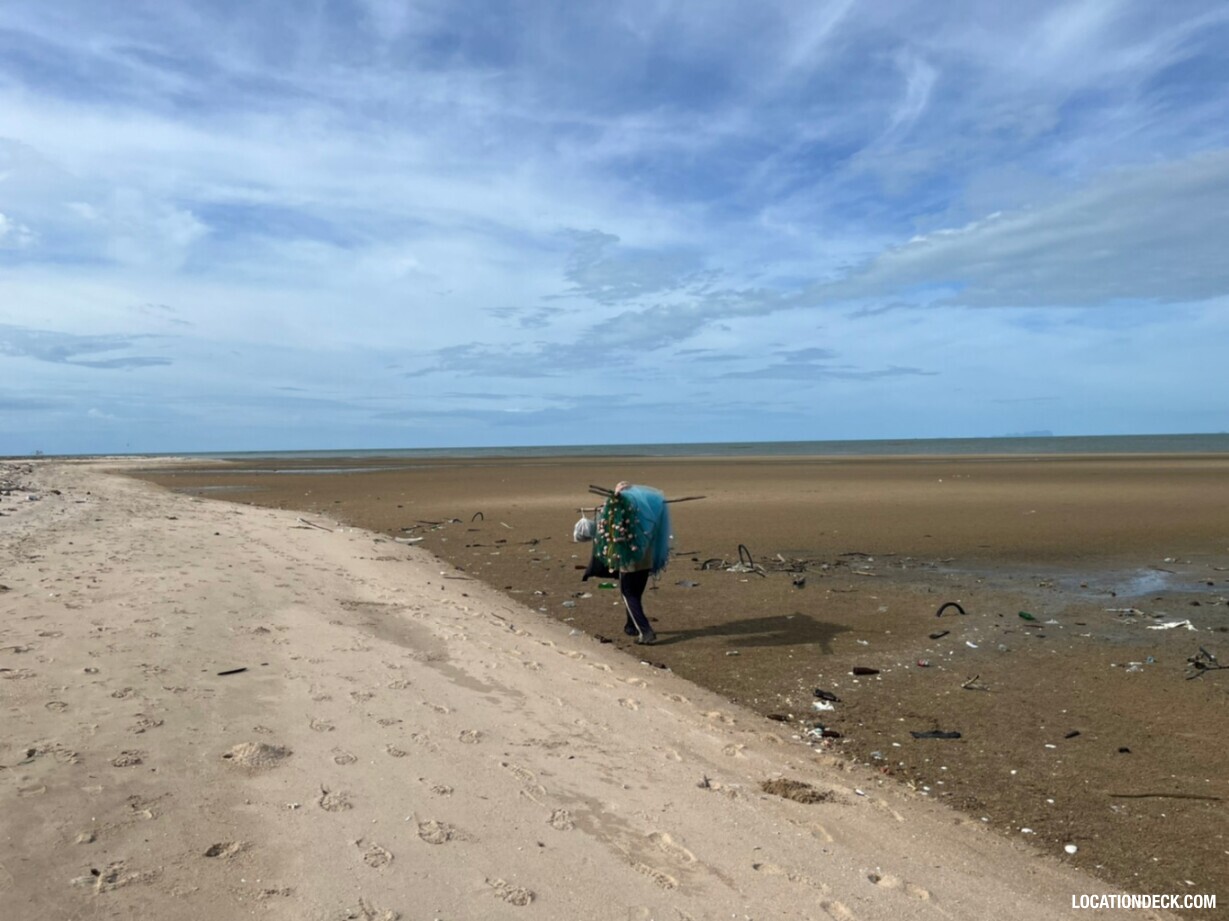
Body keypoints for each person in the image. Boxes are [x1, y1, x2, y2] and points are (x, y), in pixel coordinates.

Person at [600, 481, 671, 645]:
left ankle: (646, 631)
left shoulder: (623, 510)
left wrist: (616, 495)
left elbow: (610, 519)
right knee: (635, 594)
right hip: (646, 559)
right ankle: (630, 626)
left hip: (630, 561)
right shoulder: (647, 511)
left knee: (629, 594)